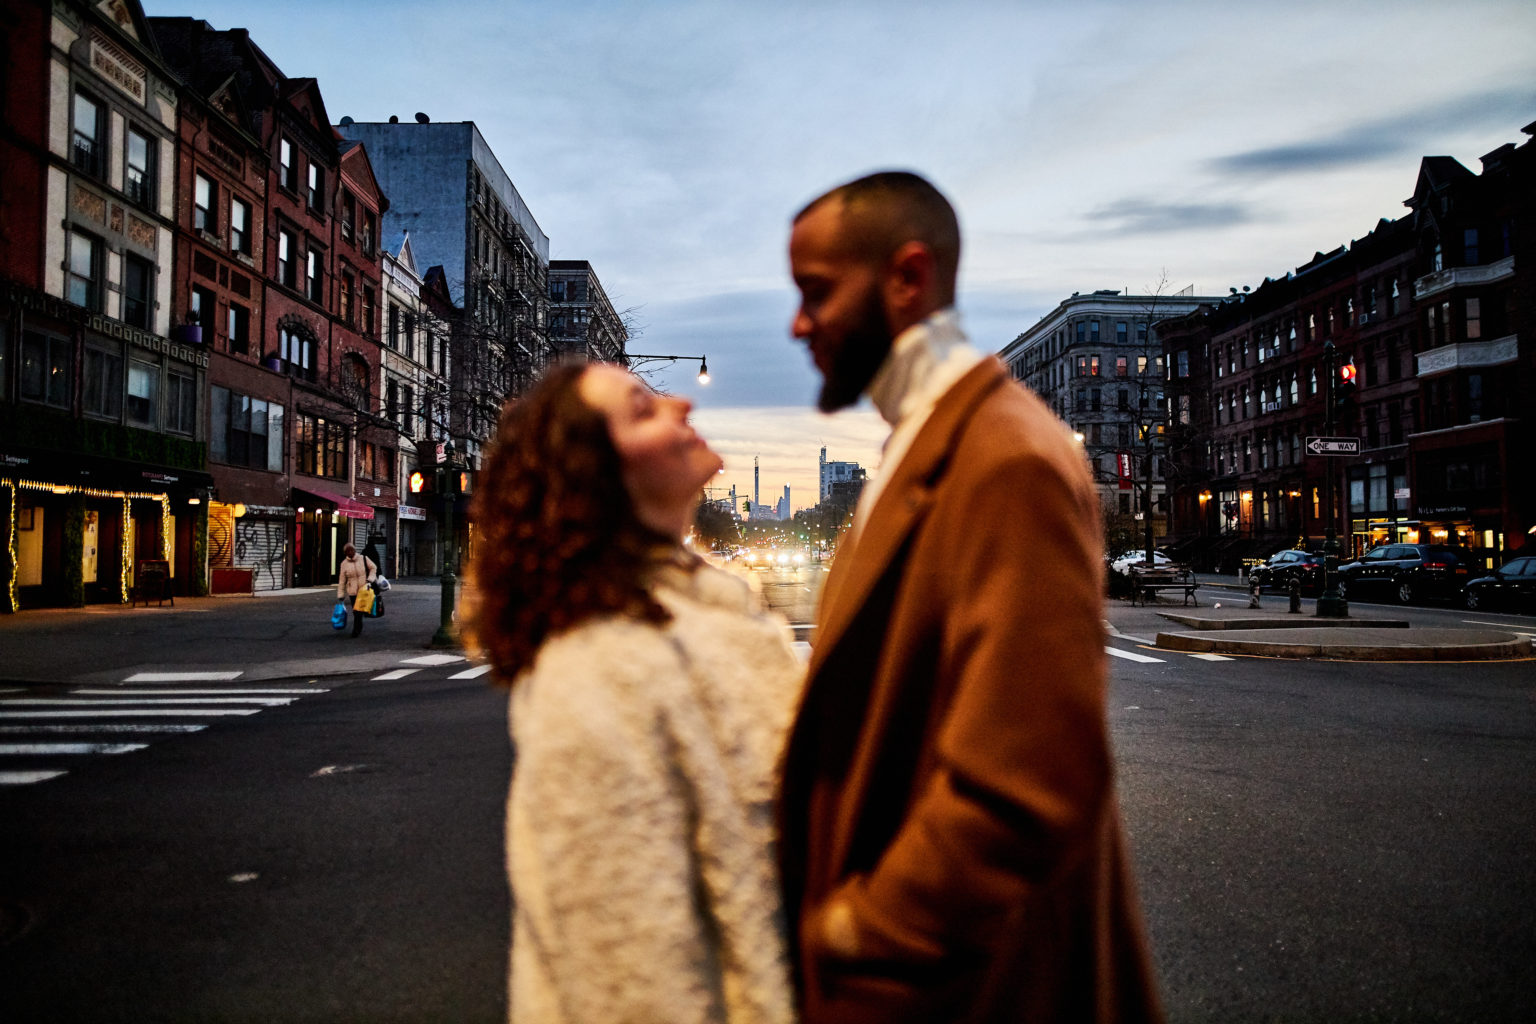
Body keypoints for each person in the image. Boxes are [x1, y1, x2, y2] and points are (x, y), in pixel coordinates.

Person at [777, 171, 1164, 1023]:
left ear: (906, 279)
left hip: (973, 995)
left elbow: (1027, 781)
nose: (799, 323)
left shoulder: (1006, 459)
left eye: (816, 292)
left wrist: (861, 933)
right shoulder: (930, 446)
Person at [463, 362, 801, 1024]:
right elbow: (627, 967)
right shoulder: (595, 670)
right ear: (599, 484)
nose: (679, 403)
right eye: (644, 410)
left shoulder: (706, 612)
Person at [335, 542, 376, 638]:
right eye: (347, 551)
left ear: (354, 550)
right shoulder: (344, 564)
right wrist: (340, 595)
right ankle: (357, 628)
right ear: (345, 553)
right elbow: (342, 580)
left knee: (359, 611)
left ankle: (356, 629)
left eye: (351, 550)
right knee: (356, 611)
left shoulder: (363, 558)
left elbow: (373, 568)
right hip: (353, 591)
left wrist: (370, 579)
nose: (350, 552)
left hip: (364, 589)